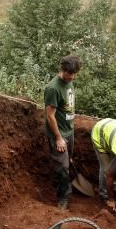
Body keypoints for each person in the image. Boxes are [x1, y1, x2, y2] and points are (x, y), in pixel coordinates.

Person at [44, 55, 82, 209]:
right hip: (59, 135)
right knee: (63, 167)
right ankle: (63, 199)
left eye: (74, 74)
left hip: (69, 131)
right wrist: (59, 138)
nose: (71, 77)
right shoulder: (53, 88)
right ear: (63, 70)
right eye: (69, 73)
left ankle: (58, 184)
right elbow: (50, 115)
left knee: (66, 163)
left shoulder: (69, 83)